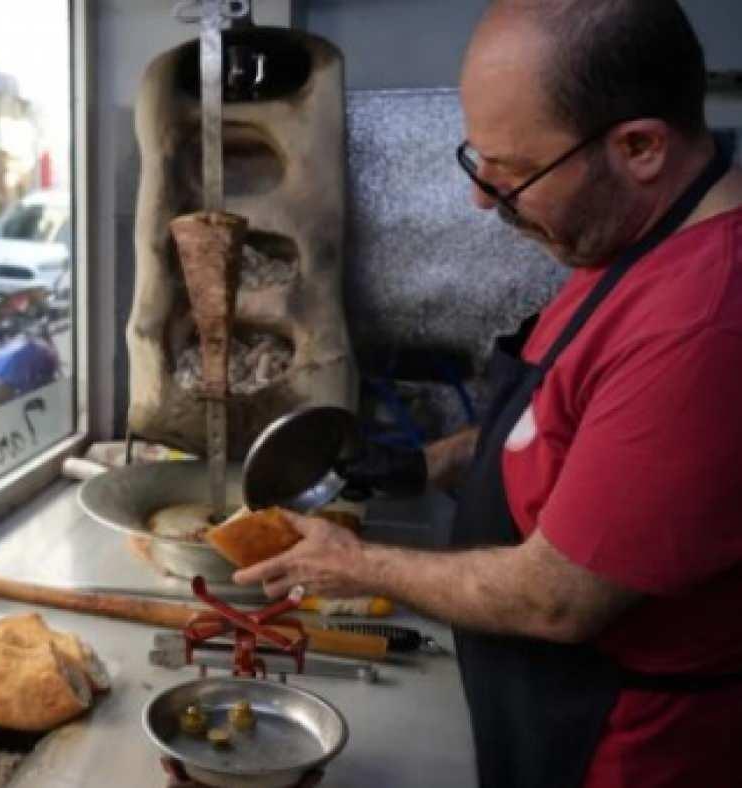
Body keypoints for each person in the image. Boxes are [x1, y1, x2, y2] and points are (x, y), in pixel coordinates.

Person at [235, 2, 742, 787]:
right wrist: (422, 464)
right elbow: (567, 430)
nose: (482, 200)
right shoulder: (635, 243)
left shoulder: (703, 322)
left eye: (512, 173)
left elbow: (556, 598)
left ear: (639, 147)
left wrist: (360, 564)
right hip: (540, 701)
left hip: (616, 742)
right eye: (480, 163)